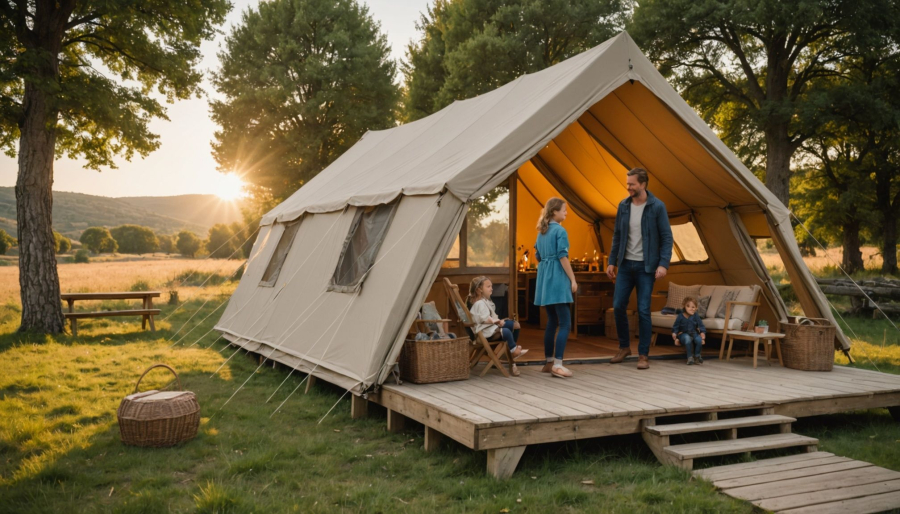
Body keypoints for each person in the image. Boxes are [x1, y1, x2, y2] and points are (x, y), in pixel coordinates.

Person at [607, 167, 673, 370]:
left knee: (644, 310)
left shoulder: (657, 207)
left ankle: (643, 354)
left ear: (643, 185)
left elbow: (667, 238)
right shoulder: (623, 206)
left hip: (647, 268)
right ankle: (624, 347)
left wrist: (663, 264)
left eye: (632, 184)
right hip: (626, 265)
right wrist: (612, 261)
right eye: (627, 184)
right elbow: (617, 235)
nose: (628, 187)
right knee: (618, 306)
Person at [534, 197, 578, 378]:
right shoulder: (560, 231)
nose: (566, 213)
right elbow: (563, 257)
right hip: (558, 280)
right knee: (566, 323)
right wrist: (573, 279)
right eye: (564, 210)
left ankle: (548, 362)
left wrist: (546, 262)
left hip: (545, 281)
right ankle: (558, 365)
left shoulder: (541, 232)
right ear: (554, 212)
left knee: (552, 322)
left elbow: (537, 256)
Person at [467, 276, 528, 371]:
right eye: (488, 286)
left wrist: (497, 321)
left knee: (515, 325)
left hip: (490, 327)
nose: (491, 288)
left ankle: (512, 348)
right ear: (479, 290)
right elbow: (484, 318)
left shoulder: (485, 301)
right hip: (485, 331)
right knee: (507, 331)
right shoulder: (479, 304)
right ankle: (513, 350)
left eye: (491, 286)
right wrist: (496, 322)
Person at [672, 296, 706, 365]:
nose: (691, 309)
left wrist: (702, 332)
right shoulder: (680, 316)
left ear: (696, 308)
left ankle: (697, 356)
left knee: (699, 340)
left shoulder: (696, 316)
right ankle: (690, 357)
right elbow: (675, 326)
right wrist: (675, 334)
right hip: (683, 334)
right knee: (687, 339)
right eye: (688, 306)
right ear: (684, 307)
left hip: (694, 333)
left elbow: (701, 325)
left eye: (693, 307)